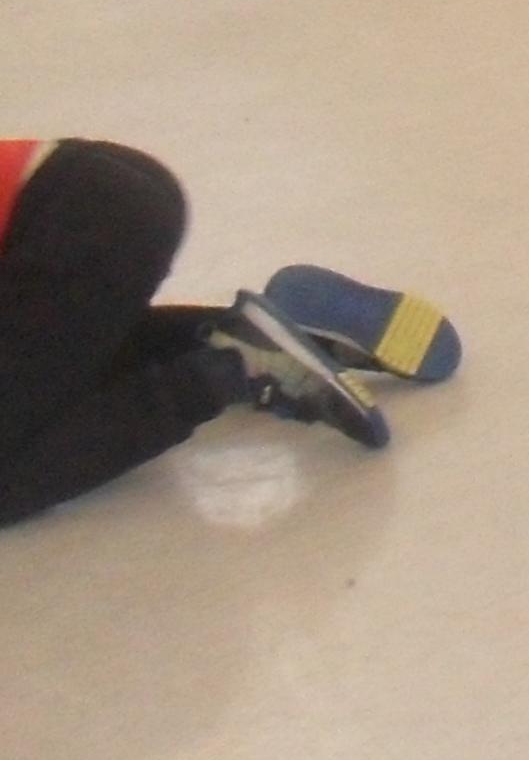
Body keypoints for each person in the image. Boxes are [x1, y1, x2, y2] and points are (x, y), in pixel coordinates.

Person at [0, 136, 464, 528]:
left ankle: (230, 366)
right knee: (58, 383)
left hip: (74, 220)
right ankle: (259, 332)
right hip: (89, 187)